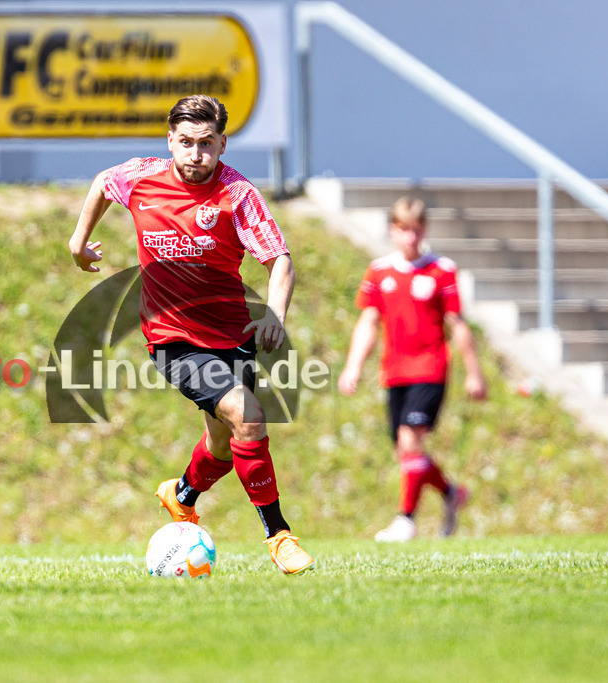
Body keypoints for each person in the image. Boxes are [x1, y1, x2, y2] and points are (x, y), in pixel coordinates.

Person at [68, 94, 314, 575]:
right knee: (250, 416)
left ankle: (181, 494)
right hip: (173, 337)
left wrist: (276, 315)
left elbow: (278, 258)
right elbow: (102, 182)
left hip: (232, 336)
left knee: (224, 445)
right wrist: (78, 242)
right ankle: (279, 536)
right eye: (185, 143)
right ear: (170, 141)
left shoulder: (236, 195)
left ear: (222, 144)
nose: (195, 154)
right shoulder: (142, 177)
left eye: (206, 144)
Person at [338, 197, 487, 542]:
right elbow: (369, 321)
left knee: (410, 441)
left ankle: (406, 520)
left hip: (431, 367)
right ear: (392, 231)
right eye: (404, 230)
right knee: (406, 451)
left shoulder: (441, 270)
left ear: (425, 231)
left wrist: (474, 373)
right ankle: (451, 494)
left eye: (417, 230)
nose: (411, 238)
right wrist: (353, 367)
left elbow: (458, 324)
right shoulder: (379, 271)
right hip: (395, 371)